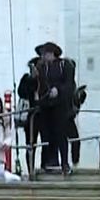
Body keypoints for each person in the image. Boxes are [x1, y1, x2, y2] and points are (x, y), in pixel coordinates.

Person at [34, 41, 77, 175]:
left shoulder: (65, 65)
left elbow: (69, 85)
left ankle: (64, 162)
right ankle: (48, 162)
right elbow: (37, 86)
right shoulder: (41, 68)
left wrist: (58, 90)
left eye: (45, 54)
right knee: (46, 135)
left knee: (61, 134)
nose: (43, 57)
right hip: (45, 106)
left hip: (60, 106)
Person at [15, 58, 41, 178]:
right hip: (30, 116)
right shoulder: (26, 79)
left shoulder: (44, 79)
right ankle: (30, 168)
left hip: (43, 114)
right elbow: (22, 92)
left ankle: (44, 165)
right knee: (30, 143)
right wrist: (32, 80)